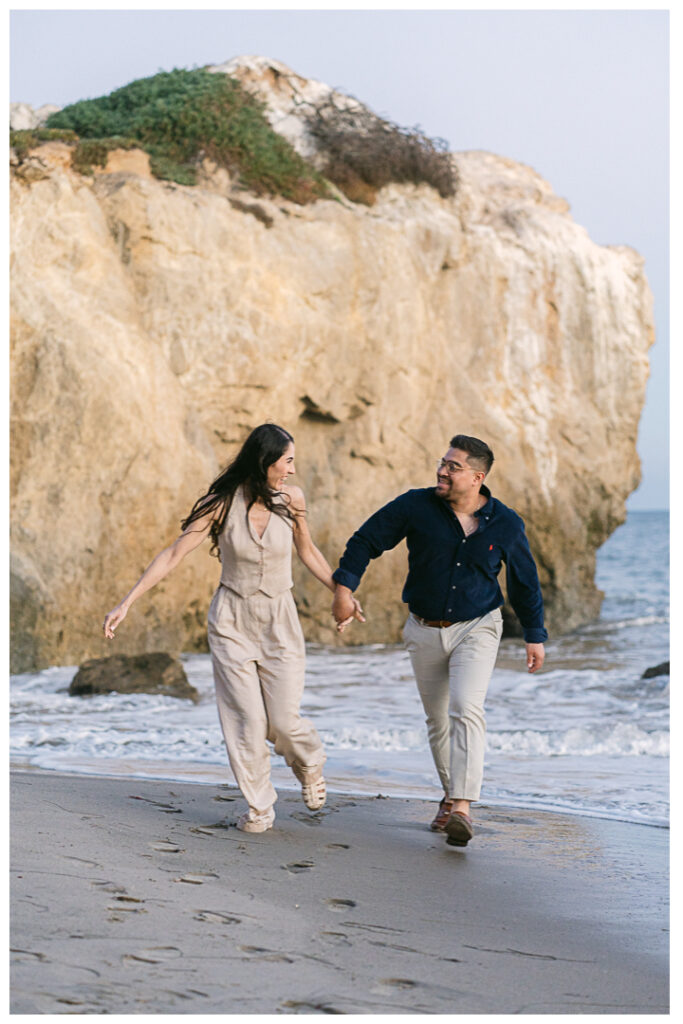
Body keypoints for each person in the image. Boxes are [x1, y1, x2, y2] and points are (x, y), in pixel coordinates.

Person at [103, 423, 363, 834]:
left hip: (280, 619)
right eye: (288, 461)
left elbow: (307, 551)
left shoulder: (292, 499)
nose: (293, 470)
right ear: (266, 462)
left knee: (283, 720)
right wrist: (127, 602)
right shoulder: (221, 503)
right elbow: (173, 554)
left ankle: (310, 764)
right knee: (246, 722)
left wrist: (342, 593)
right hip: (231, 621)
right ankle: (260, 808)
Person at [331, 434, 546, 848]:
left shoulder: (505, 523)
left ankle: (462, 808)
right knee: (437, 720)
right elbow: (366, 540)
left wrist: (534, 635)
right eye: (442, 463)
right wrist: (344, 587)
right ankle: (451, 795)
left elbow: (524, 582)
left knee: (466, 707)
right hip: (423, 627)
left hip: (478, 626)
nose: (442, 471)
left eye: (453, 466)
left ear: (477, 477)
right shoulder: (416, 505)